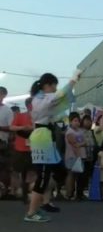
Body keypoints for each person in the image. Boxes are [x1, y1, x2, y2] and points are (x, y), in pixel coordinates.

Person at [25, 72, 79, 222]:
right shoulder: (41, 98)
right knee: (43, 177)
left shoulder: (42, 98)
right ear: (47, 85)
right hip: (42, 138)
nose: (55, 89)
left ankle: (40, 201)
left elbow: (57, 104)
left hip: (46, 138)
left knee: (56, 172)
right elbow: (59, 96)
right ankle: (31, 212)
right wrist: (73, 80)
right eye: (54, 86)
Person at [10, 106, 34, 201]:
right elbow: (12, 127)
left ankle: (28, 192)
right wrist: (23, 127)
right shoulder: (20, 116)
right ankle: (15, 191)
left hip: (33, 149)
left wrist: (31, 127)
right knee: (17, 171)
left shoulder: (39, 117)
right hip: (19, 149)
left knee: (31, 172)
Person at [63, 112, 85, 201]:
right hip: (71, 156)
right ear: (70, 121)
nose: (77, 123)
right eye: (75, 121)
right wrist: (81, 144)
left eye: (78, 121)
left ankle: (76, 193)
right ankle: (69, 193)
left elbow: (84, 142)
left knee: (78, 175)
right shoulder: (69, 131)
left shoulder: (80, 131)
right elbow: (74, 144)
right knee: (71, 174)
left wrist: (81, 144)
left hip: (80, 156)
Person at [0, 86, 12, 198]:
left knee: (3, 167)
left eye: (1, 94)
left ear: (4, 96)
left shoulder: (7, 110)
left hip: (2, 142)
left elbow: (11, 127)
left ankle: (3, 190)